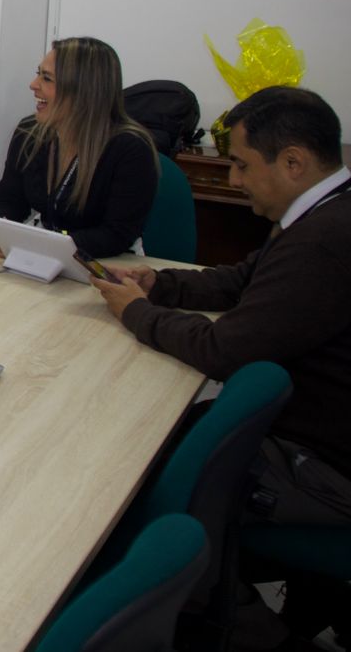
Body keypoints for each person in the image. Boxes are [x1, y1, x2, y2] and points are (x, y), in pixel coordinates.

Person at [90, 86, 351, 644]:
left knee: (143, 465)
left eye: (240, 164)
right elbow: (241, 280)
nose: (232, 180)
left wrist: (137, 313)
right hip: (312, 431)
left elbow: (222, 349)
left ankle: (210, 617)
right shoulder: (326, 209)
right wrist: (160, 284)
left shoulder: (325, 241)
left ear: (294, 162)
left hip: (327, 465)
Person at [0, 37, 157, 260]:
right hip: (40, 255)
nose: (33, 84)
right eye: (38, 73)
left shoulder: (130, 149)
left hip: (106, 263)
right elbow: (10, 201)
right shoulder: (29, 132)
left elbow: (116, 235)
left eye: (47, 78)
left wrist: (37, 245)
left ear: (83, 91)